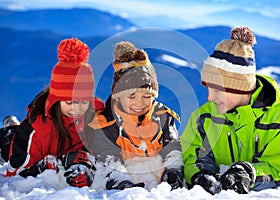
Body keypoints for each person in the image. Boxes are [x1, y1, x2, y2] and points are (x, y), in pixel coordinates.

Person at [180, 26, 280, 194]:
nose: (209, 98)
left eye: (216, 90)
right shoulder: (203, 118)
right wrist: (201, 175)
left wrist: (248, 174)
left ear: (239, 89)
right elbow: (193, 156)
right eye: (208, 89)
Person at [82, 41, 183, 190]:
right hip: (125, 187)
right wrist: (122, 182)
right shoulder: (105, 125)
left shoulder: (163, 117)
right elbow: (107, 159)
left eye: (147, 96)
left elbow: (172, 146)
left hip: (160, 188)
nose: (139, 103)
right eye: (131, 96)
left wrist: (174, 171)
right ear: (118, 96)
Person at [6, 38, 104, 188]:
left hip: (59, 147)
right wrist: (42, 168)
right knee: (7, 140)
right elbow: (15, 174)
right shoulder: (38, 129)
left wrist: (82, 160)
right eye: (70, 102)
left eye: (83, 102)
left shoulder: (97, 118)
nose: (76, 109)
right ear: (56, 101)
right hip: (21, 143)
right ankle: (11, 126)